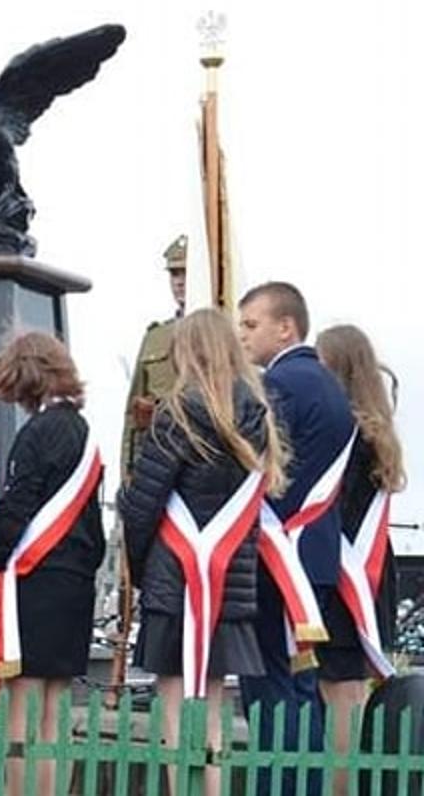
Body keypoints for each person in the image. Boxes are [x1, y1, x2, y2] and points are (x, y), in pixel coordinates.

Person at [119, 308, 285, 796]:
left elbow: (142, 507)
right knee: (212, 721)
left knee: (174, 718)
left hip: (177, 582)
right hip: (231, 580)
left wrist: (140, 566)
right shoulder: (257, 413)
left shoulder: (179, 412)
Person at [0, 332, 104, 796]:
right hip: (76, 581)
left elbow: (15, 510)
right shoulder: (83, 431)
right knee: (56, 713)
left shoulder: (37, 433)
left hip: (35, 579)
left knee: (20, 711)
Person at [238, 281, 356, 795]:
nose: (242, 337)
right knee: (302, 689)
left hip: (277, 556)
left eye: (250, 325)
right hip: (315, 557)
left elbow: (258, 468)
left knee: (270, 691)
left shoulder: (280, 385)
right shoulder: (329, 384)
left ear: (286, 326)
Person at [315, 323, 407, 793]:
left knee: (341, 695)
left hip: (348, 572)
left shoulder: (345, 432)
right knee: (347, 693)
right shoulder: (378, 428)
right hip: (371, 572)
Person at [123, 235, 189, 479]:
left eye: (186, 273)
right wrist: (128, 475)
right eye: (175, 275)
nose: (180, 282)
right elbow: (133, 415)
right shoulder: (156, 336)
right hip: (157, 460)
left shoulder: (226, 334)